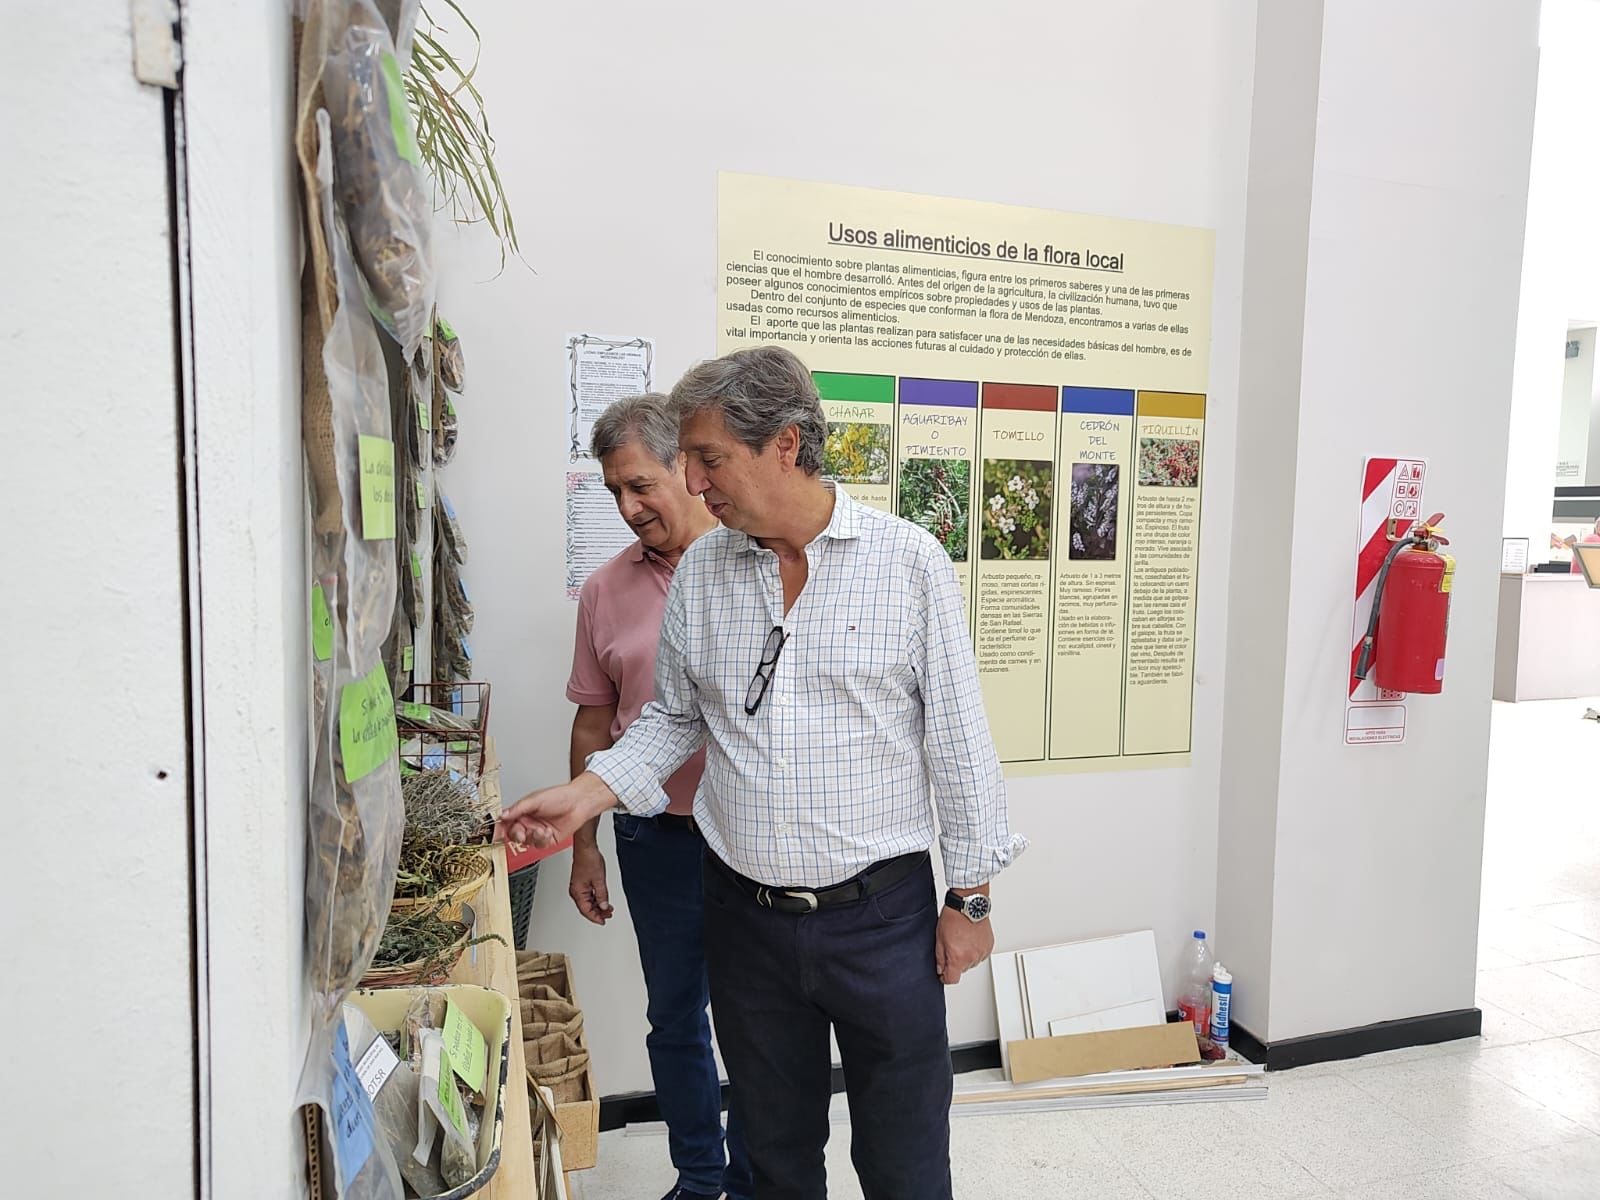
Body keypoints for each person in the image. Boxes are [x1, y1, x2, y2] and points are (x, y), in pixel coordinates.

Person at [499, 347, 1025, 1200]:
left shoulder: (908, 563)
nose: (695, 483)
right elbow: (673, 716)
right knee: (774, 1162)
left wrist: (971, 899)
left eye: (709, 459)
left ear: (784, 445)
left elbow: (960, 743)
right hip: (743, 917)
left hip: (881, 921)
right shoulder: (706, 572)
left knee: (904, 1160)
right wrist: (585, 796)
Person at [565, 393, 750, 1200]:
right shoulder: (606, 591)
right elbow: (594, 721)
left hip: (751, 840)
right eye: (613, 492)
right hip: (657, 839)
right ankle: (701, 1181)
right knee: (675, 1018)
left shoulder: (757, 558)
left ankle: (757, 1179)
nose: (628, 507)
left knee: (759, 1022)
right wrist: (583, 843)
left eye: (640, 484)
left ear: (687, 464)